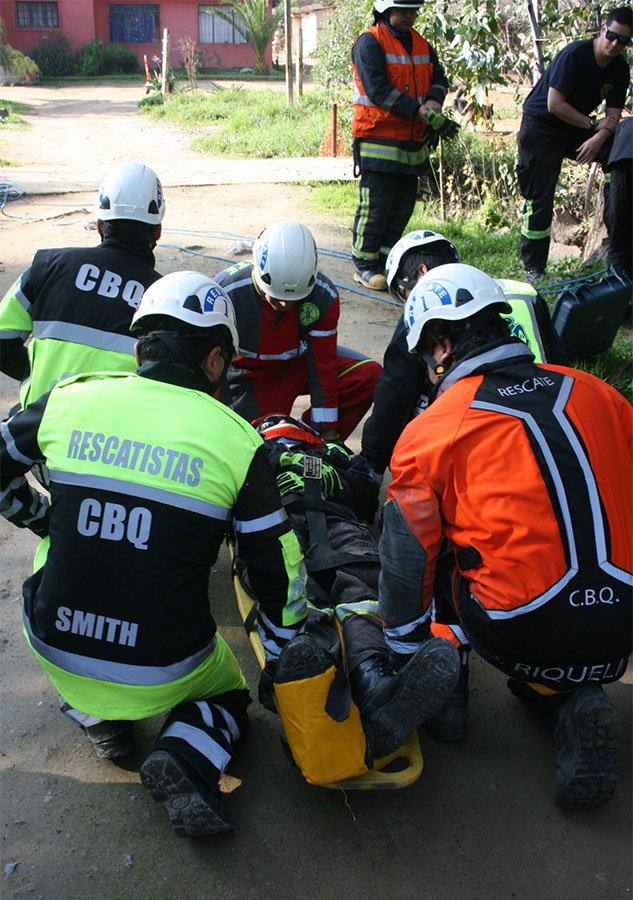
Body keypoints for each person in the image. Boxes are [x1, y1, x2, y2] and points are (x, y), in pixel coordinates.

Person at [0, 271, 309, 838]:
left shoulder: (69, 398)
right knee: (227, 692)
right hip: (167, 663)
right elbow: (278, 568)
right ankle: (186, 752)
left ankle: (95, 712)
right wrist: (284, 658)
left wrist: (40, 517)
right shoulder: (237, 439)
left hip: (55, 642)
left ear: (141, 349)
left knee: (55, 550)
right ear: (214, 362)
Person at [377, 262, 632, 809]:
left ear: (442, 346)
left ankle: (447, 693)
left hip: (521, 628)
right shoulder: (601, 395)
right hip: (623, 624)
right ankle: (572, 695)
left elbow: (405, 561)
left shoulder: (432, 431)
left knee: (441, 544)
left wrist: (404, 653)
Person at [244, 414, 460, 759]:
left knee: (361, 589)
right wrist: (279, 463)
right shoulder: (250, 451)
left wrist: (337, 480)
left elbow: (366, 495)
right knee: (295, 590)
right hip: (278, 519)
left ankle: (375, 686)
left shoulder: (334, 452)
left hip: (336, 519)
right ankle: (315, 672)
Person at [361, 229, 568, 479]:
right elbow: (559, 363)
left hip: (482, 440)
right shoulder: (525, 294)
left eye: (403, 293)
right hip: (553, 420)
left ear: (423, 272)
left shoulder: (429, 315)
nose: (408, 306)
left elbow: (394, 397)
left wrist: (371, 464)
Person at [0, 161, 165, 408]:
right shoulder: (163, 297)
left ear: (99, 224)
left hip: (41, 423)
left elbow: (2, 340)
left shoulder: (48, 266)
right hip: (116, 431)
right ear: (158, 231)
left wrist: (36, 374)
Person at [214, 220, 382, 440]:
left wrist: (326, 431)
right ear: (257, 271)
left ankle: (305, 439)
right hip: (249, 375)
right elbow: (211, 364)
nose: (285, 304)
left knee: (367, 375)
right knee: (254, 441)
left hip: (297, 364)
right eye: (277, 296)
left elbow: (323, 366)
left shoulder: (323, 296)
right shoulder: (226, 293)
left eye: (295, 298)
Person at [516, 7, 631, 282]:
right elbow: (554, 105)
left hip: (578, 128)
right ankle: (534, 270)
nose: (615, 45)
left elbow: (613, 117)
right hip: (542, 125)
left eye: (623, 40)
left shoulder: (620, 68)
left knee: (618, 151)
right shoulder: (575, 55)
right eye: (612, 36)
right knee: (540, 198)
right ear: (603, 30)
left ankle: (618, 244)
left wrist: (597, 140)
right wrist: (592, 125)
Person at [350, 0, 456, 291]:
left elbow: (439, 78)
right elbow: (377, 89)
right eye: (403, 10)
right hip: (378, 140)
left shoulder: (422, 44)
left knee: (401, 207)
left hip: (412, 143)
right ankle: (364, 264)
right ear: (386, 9)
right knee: (375, 207)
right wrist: (416, 110)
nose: (410, 15)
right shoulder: (370, 43)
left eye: (413, 10)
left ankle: (386, 260)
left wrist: (433, 101)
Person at [605, 116, 632, 279]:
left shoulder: (624, 125)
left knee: (619, 231)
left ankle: (615, 281)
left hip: (621, 153)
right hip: (622, 156)